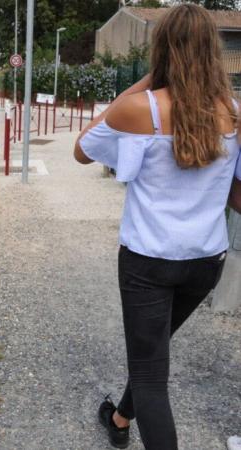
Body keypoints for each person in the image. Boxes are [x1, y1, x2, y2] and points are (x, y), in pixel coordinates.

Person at [73, 4, 241, 449]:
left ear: (162, 50)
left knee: (150, 373)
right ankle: (122, 419)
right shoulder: (234, 114)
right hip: (206, 261)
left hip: (148, 261)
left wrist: (149, 81)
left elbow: (81, 150)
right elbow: (239, 198)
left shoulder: (136, 110)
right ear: (213, 52)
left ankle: (131, 415)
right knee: (152, 351)